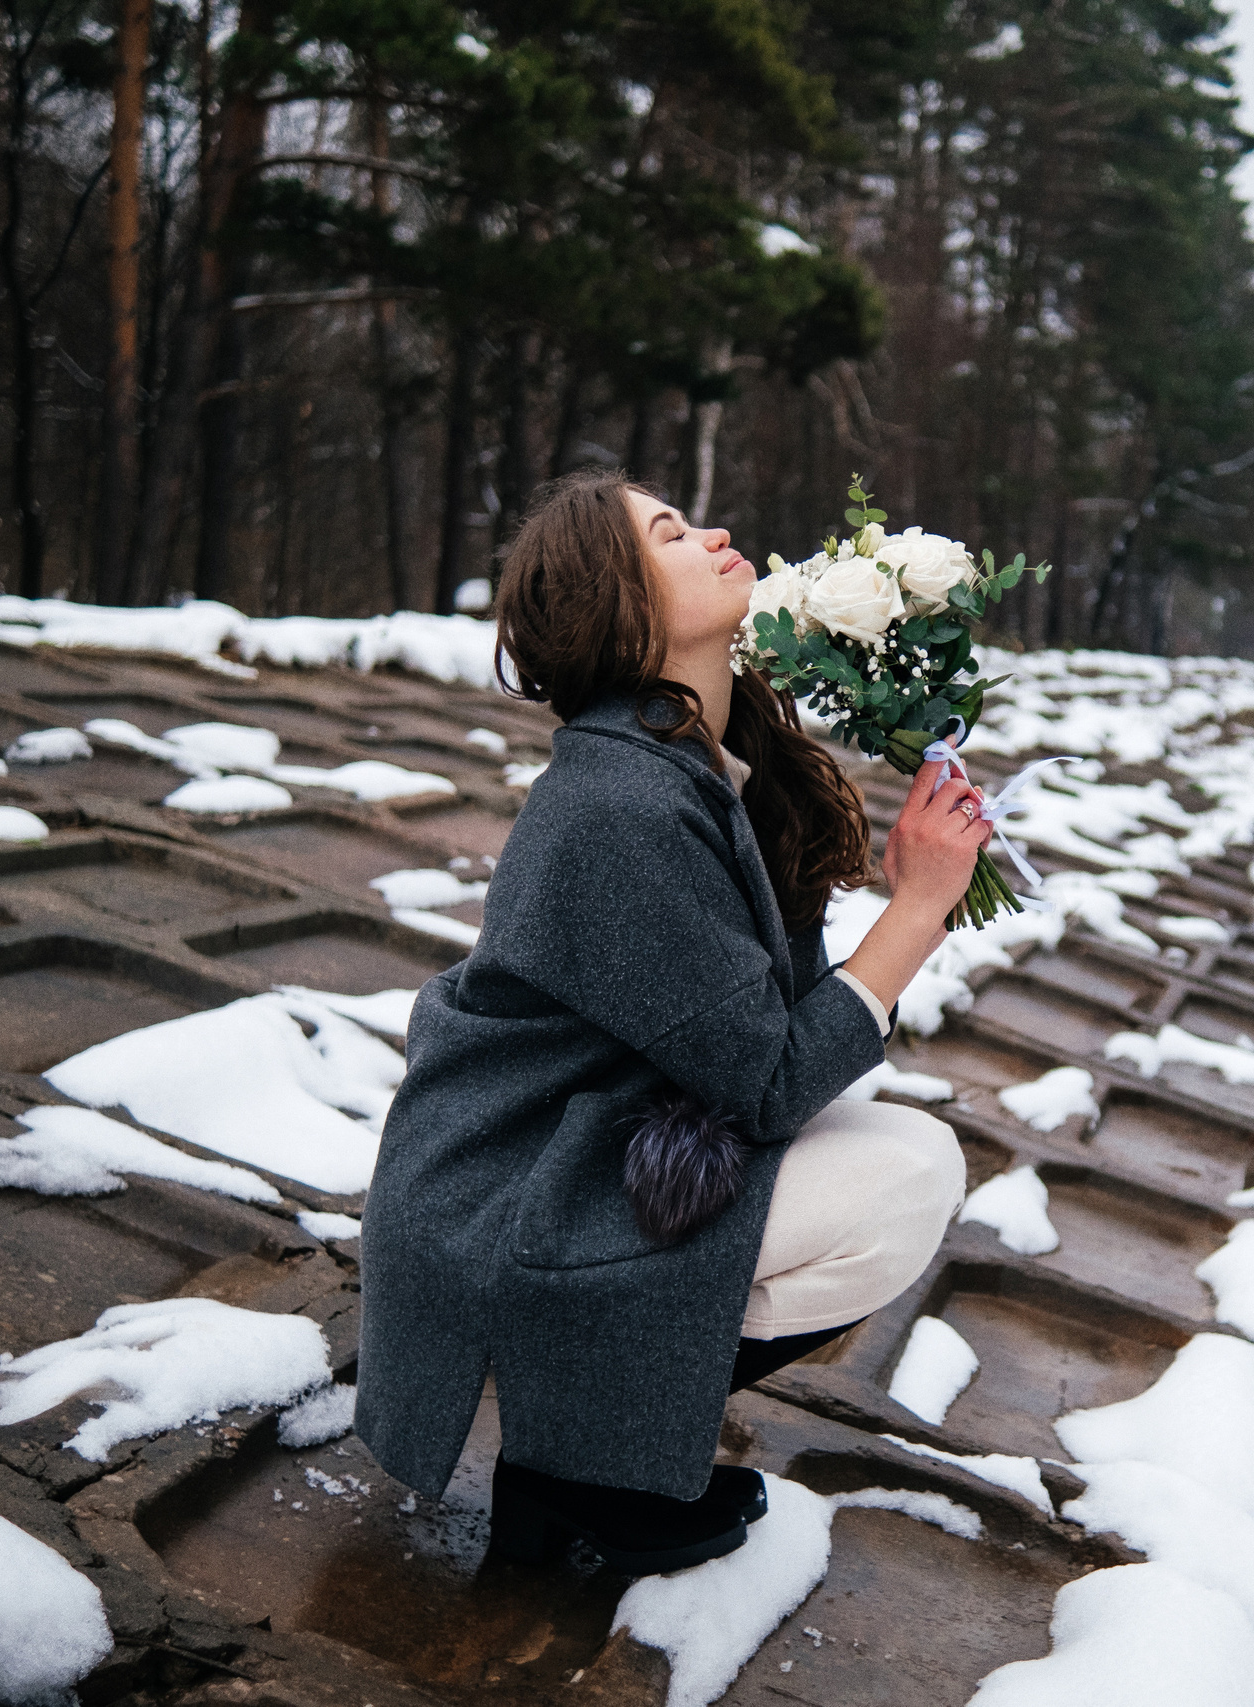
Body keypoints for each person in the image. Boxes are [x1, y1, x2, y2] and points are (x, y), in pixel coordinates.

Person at [354, 470, 993, 1575]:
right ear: (624, 600)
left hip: (583, 1144)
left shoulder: (697, 759)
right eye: (671, 532)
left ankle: (587, 1449)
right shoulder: (617, 804)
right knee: (902, 1177)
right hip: (505, 1187)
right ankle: (576, 1466)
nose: (717, 533)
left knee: (895, 1157)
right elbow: (769, 1083)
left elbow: (772, 1034)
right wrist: (920, 910)